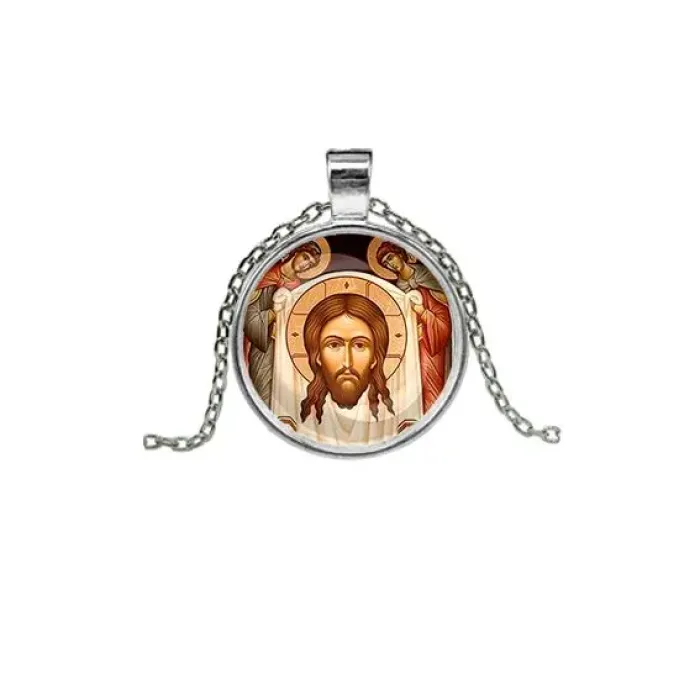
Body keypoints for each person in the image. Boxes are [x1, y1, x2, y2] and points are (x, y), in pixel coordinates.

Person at [376, 242, 451, 413]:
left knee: (428, 379)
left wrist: (422, 312)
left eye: (390, 258)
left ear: (400, 254)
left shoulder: (427, 275)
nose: (390, 264)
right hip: (411, 342)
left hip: (431, 341)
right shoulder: (398, 287)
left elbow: (446, 310)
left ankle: (430, 412)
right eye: (386, 263)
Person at [244, 241, 322, 406]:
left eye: (311, 264)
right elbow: (250, 318)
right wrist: (274, 313)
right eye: (305, 257)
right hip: (264, 346)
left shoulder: (297, 286)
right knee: (265, 390)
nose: (305, 265)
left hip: (286, 345)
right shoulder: (266, 277)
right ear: (295, 252)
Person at [300, 294, 395, 423]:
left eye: (359, 345)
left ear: (375, 357)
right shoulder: (308, 420)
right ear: (317, 356)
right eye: (334, 345)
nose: (347, 363)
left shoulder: (389, 420)